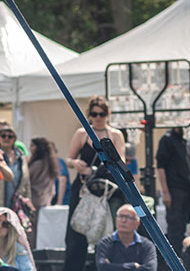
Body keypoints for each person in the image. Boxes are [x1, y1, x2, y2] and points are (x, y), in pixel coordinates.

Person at [64, 96, 127, 271]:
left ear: (108, 114)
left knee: (107, 232)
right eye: (94, 114)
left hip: (108, 189)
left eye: (102, 113)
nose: (98, 117)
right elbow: (68, 159)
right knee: (77, 231)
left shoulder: (115, 134)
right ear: (89, 115)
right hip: (85, 188)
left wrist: (109, 162)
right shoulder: (82, 133)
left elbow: (121, 160)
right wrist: (76, 164)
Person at [158, 126, 190, 254]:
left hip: (187, 189)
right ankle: (173, 260)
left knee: (183, 225)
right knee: (175, 229)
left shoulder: (186, 140)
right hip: (174, 191)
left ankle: (182, 257)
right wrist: (165, 193)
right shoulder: (167, 139)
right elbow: (161, 167)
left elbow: (185, 164)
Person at [94, 204, 157, 271]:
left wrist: (113, 266)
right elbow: (102, 267)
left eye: (128, 217)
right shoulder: (105, 243)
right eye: (120, 216)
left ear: (137, 223)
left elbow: (150, 269)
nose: (123, 220)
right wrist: (134, 266)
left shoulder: (147, 245)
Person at [0, 123, 30, 210]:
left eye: (10, 136)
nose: (6, 138)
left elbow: (27, 182)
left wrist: (28, 199)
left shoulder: (21, 157)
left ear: (14, 139)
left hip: (17, 201)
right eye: (3, 136)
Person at [28, 138, 59, 211]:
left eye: (32, 146)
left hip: (34, 200)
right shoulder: (49, 164)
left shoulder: (37, 165)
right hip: (46, 200)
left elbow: (26, 179)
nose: (30, 148)